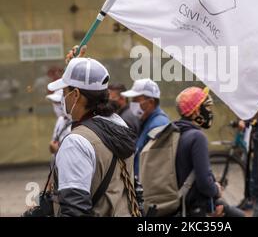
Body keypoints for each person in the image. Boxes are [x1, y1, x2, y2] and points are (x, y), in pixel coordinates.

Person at [46, 56, 140, 217]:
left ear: (75, 94)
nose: (62, 98)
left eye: (64, 91)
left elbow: (74, 210)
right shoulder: (118, 124)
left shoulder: (76, 141)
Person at [174, 86, 245, 217]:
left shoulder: (177, 133)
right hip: (196, 208)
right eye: (207, 107)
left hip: (182, 205)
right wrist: (216, 190)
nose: (210, 112)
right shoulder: (197, 137)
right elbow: (204, 182)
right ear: (195, 112)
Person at [121, 78, 170, 177]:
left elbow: (157, 166)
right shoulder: (146, 121)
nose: (132, 103)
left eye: (136, 100)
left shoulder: (158, 126)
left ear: (151, 102)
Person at [45, 89, 72, 154]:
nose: (56, 106)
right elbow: (54, 142)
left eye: (58, 102)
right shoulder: (60, 120)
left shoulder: (78, 122)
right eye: (54, 102)